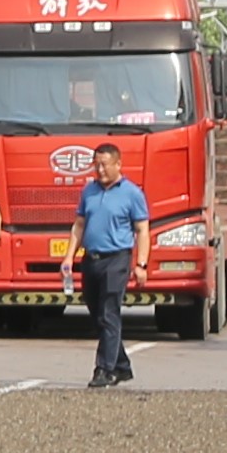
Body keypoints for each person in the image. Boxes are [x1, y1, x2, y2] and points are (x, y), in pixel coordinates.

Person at [77, 147, 149, 386]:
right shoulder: (89, 191)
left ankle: (104, 369)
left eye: (105, 165)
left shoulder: (132, 193)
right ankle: (122, 366)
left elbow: (142, 230)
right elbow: (79, 225)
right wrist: (68, 257)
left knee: (109, 312)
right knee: (98, 315)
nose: (100, 170)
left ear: (118, 165)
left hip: (117, 259)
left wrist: (141, 264)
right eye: (96, 165)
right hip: (91, 259)